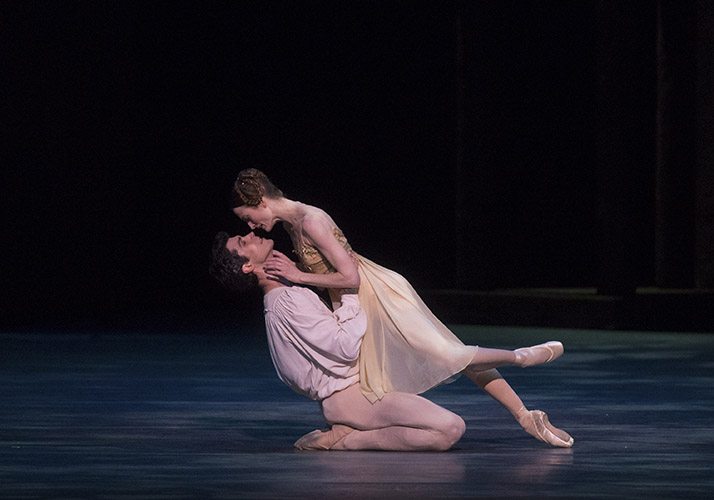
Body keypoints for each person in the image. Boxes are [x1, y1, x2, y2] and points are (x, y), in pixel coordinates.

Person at [210, 230, 574, 449]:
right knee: (449, 429)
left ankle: (522, 393)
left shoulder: (286, 293)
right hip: (352, 396)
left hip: (355, 385)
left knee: (441, 350)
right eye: (244, 241)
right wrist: (351, 293)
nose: (251, 234)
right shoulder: (284, 302)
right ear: (247, 266)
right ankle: (345, 441)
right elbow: (342, 345)